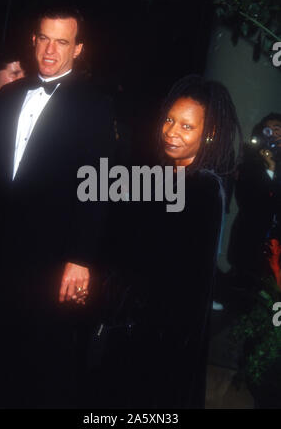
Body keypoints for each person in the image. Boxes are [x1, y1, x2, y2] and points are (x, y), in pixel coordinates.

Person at [0, 4, 115, 408]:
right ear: (33, 40)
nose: (51, 51)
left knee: (44, 367)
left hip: (53, 261)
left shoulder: (96, 105)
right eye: (45, 39)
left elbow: (99, 187)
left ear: (77, 49)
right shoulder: (5, 98)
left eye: (62, 42)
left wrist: (81, 258)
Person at [88, 75, 242, 408]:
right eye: (170, 120)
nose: (172, 131)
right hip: (128, 322)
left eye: (187, 127)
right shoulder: (161, 173)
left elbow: (192, 281)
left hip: (160, 335)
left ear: (209, 134)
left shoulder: (204, 189)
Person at [228, 113, 281, 287]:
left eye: (277, 129)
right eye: (269, 130)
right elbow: (247, 201)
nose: (273, 134)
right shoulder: (250, 162)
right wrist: (270, 170)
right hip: (250, 238)